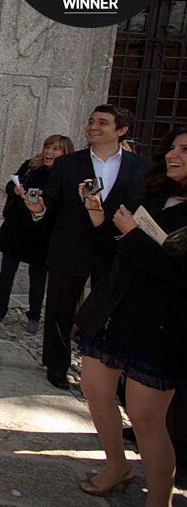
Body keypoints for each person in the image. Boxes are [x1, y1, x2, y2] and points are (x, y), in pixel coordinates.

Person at [73, 126, 187, 504]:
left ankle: (159, 500)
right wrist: (96, 212)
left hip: (160, 325)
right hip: (116, 313)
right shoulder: (155, 197)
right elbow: (118, 253)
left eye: (185, 150)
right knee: (95, 389)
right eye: (172, 148)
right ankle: (116, 465)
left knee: (146, 418)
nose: (174, 155)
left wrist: (133, 236)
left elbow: (178, 273)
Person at [26, 105, 148, 390]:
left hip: (114, 250)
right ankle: (57, 365)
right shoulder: (68, 164)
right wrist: (39, 207)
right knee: (60, 308)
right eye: (91, 121)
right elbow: (52, 202)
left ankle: (110, 370)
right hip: (71, 246)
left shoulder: (140, 167)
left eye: (102, 123)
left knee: (113, 311)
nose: (92, 127)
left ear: (121, 130)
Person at [0, 135, 74, 332]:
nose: (49, 152)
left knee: (38, 274)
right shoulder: (31, 165)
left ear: (65, 152)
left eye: (55, 149)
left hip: (43, 231)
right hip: (18, 226)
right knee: (7, 270)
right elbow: (11, 185)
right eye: (47, 147)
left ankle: (34, 316)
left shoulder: (66, 173)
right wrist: (16, 191)